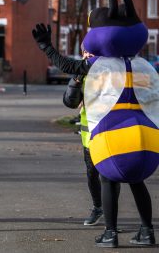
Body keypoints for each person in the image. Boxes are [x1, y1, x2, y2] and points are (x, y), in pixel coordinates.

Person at [32, 0, 156, 248]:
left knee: (108, 179)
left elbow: (67, 65)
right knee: (137, 182)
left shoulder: (99, 65)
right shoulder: (143, 66)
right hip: (144, 134)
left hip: (112, 133)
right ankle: (147, 231)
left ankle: (110, 233)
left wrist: (46, 47)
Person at [62, 47, 104, 227]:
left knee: (111, 177)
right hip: (89, 136)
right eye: (85, 52)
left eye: (91, 53)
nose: (87, 56)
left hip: (108, 132)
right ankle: (98, 207)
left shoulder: (108, 73)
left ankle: (111, 214)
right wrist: (77, 79)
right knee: (92, 174)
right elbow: (70, 101)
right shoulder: (82, 74)